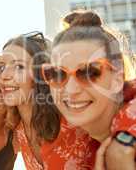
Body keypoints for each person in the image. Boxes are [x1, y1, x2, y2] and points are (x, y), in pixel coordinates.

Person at [41, 10, 136, 169]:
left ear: (117, 80)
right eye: (57, 73)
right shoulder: (66, 143)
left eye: (89, 72)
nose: (71, 90)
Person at [0, 32, 62, 170]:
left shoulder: (69, 120)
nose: (3, 76)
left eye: (19, 67)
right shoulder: (16, 129)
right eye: (1, 67)